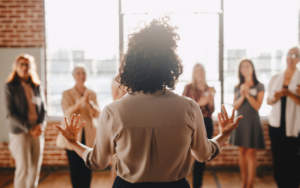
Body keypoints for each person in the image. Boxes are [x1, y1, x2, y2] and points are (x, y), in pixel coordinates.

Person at [54, 16, 243, 188]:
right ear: (171, 66)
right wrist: (224, 134)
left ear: (129, 67)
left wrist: (74, 142)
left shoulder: (113, 111)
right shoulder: (189, 107)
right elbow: (203, 154)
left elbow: (97, 161)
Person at [5, 54, 47, 188]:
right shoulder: (10, 86)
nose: (24, 67)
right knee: (23, 167)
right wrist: (29, 128)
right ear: (16, 67)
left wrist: (40, 126)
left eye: (27, 64)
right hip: (20, 132)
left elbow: (43, 110)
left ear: (31, 67)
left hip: (37, 131)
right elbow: (10, 114)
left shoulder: (36, 85)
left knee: (35, 168)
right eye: (21, 64)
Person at [56, 64, 100, 188]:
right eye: (78, 73)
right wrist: (81, 102)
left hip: (89, 134)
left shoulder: (92, 93)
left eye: (84, 73)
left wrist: (89, 103)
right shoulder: (67, 93)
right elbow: (67, 112)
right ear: (74, 76)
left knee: (87, 166)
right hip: (72, 134)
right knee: (75, 167)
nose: (81, 75)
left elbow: (97, 113)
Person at [267, 46, 300, 188]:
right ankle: (280, 184)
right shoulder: (275, 78)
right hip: (276, 125)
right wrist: (276, 97)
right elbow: (269, 101)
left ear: (298, 59)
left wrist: (290, 94)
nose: (291, 57)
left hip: (294, 126)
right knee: (278, 158)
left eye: (295, 55)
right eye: (289, 54)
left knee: (293, 160)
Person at [229, 58, 265, 188]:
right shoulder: (237, 87)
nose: (245, 68)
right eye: (242, 66)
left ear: (252, 68)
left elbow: (257, 106)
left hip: (253, 122)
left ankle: (250, 184)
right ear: (240, 70)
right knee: (242, 152)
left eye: (247, 66)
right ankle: (244, 183)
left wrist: (248, 94)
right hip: (241, 122)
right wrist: (243, 95)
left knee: (251, 152)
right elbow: (235, 106)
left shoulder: (259, 85)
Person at [182, 63, 215, 188]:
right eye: (197, 71)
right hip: (191, 123)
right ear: (193, 74)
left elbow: (211, 109)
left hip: (206, 123)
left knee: (202, 157)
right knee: (187, 156)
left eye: (201, 70)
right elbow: (184, 108)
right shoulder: (188, 88)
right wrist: (201, 103)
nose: (199, 72)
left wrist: (206, 102)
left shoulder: (210, 89)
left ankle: (197, 185)